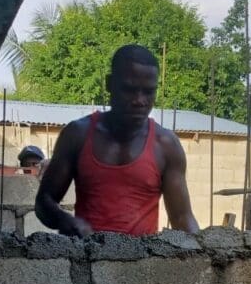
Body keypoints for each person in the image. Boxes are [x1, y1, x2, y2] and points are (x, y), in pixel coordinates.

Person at [36, 44, 199, 236]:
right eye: (129, 90)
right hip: (86, 261)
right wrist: (67, 221)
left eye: (148, 92)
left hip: (140, 263)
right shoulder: (78, 135)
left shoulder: (166, 146)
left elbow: (182, 218)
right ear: (109, 84)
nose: (139, 100)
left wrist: (206, 253)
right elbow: (43, 203)